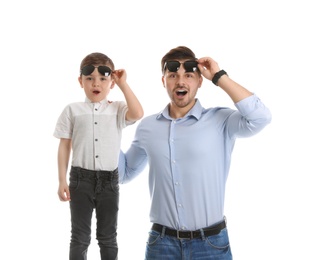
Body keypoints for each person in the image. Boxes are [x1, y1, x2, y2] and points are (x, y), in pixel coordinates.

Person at [118, 46, 272, 259]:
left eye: (188, 75)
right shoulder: (147, 127)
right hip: (161, 245)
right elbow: (123, 174)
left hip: (210, 245)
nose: (180, 82)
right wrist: (108, 129)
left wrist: (219, 77)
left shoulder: (221, 120)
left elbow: (260, 117)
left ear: (200, 81)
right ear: (164, 81)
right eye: (173, 75)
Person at [54, 52, 143, 260]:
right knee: (79, 237)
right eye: (90, 78)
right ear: (80, 81)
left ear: (111, 82)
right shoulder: (72, 110)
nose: (96, 83)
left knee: (108, 237)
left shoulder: (118, 109)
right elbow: (64, 145)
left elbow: (137, 113)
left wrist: (123, 84)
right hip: (80, 180)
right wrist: (61, 180)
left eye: (103, 79)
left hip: (109, 182)